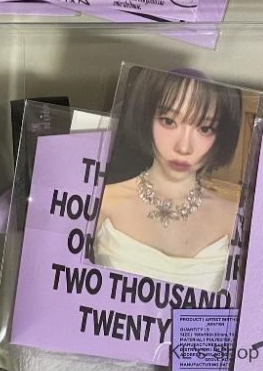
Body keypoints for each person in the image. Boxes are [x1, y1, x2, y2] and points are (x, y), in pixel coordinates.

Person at [93, 70, 242, 292]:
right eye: (169, 121)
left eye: (204, 128)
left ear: (222, 134)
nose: (183, 147)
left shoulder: (235, 219)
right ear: (145, 117)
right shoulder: (101, 202)